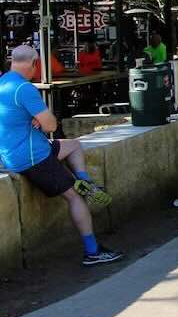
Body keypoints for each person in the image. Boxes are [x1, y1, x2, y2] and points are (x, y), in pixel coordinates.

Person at [0, 45, 122, 266]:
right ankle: (92, 251)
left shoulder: (3, 83)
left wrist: (32, 120)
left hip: (14, 153)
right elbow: (51, 125)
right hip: (33, 158)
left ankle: (85, 182)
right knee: (74, 198)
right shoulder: (24, 88)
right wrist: (42, 120)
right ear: (34, 64)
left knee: (73, 145)